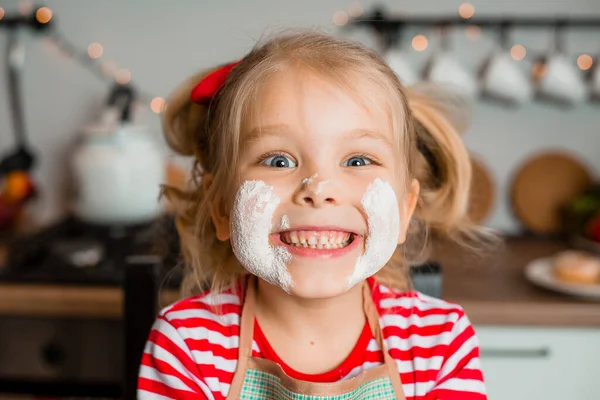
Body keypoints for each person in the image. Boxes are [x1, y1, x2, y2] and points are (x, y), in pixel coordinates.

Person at [138, 30, 489, 400]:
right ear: (223, 207)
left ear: (404, 210)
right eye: (278, 160)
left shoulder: (440, 344)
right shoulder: (187, 346)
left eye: (358, 160)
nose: (318, 189)